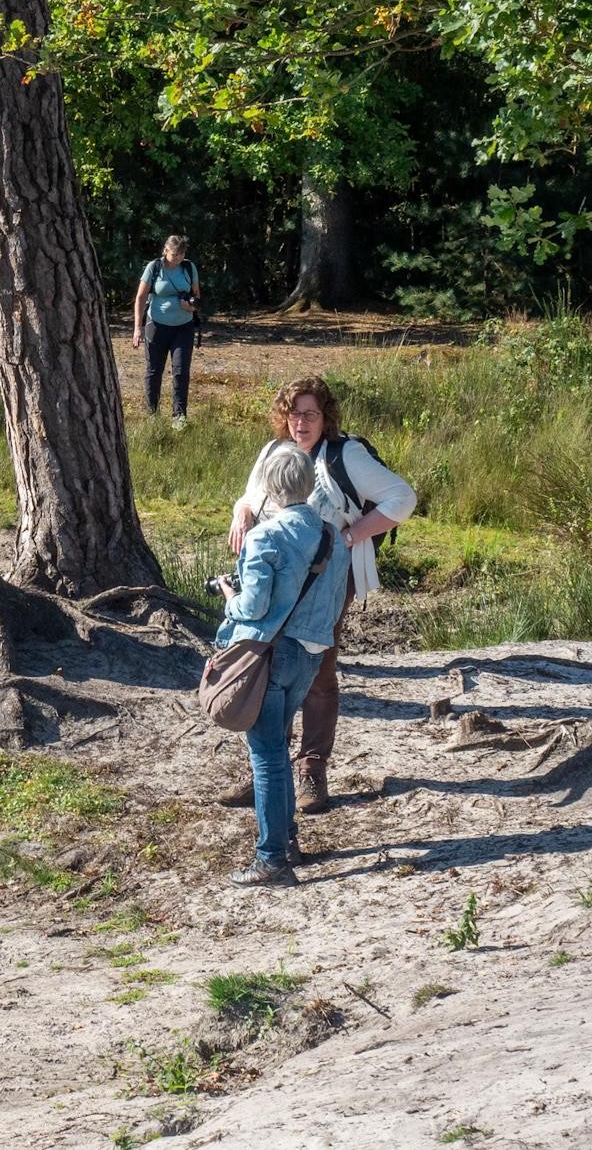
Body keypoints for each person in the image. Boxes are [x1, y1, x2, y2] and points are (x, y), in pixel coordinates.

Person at [223, 374, 417, 813]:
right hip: (276, 577)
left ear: (325, 416)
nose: (300, 423)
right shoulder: (274, 451)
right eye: (293, 413)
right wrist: (243, 512)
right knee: (264, 664)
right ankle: (266, 767)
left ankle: (312, 770)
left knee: (317, 667)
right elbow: (251, 494)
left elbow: (401, 498)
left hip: (329, 578)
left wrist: (350, 539)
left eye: (310, 414)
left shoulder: (346, 454)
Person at [214, 441, 349, 887]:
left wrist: (229, 598)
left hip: (271, 656)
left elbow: (253, 608)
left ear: (270, 491)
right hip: (311, 656)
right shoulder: (333, 538)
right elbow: (331, 604)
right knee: (278, 750)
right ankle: (287, 839)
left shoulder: (265, 537)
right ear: (309, 485)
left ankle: (272, 858)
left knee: (268, 755)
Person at [131, 235, 200, 428]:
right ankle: (152, 414)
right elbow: (140, 297)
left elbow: (196, 296)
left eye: (182, 254)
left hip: (183, 327)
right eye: (174, 254)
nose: (178, 258)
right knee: (154, 371)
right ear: (165, 251)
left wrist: (191, 307)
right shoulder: (154, 268)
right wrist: (138, 328)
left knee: (180, 371)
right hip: (157, 326)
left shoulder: (189, 268)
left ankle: (179, 417)